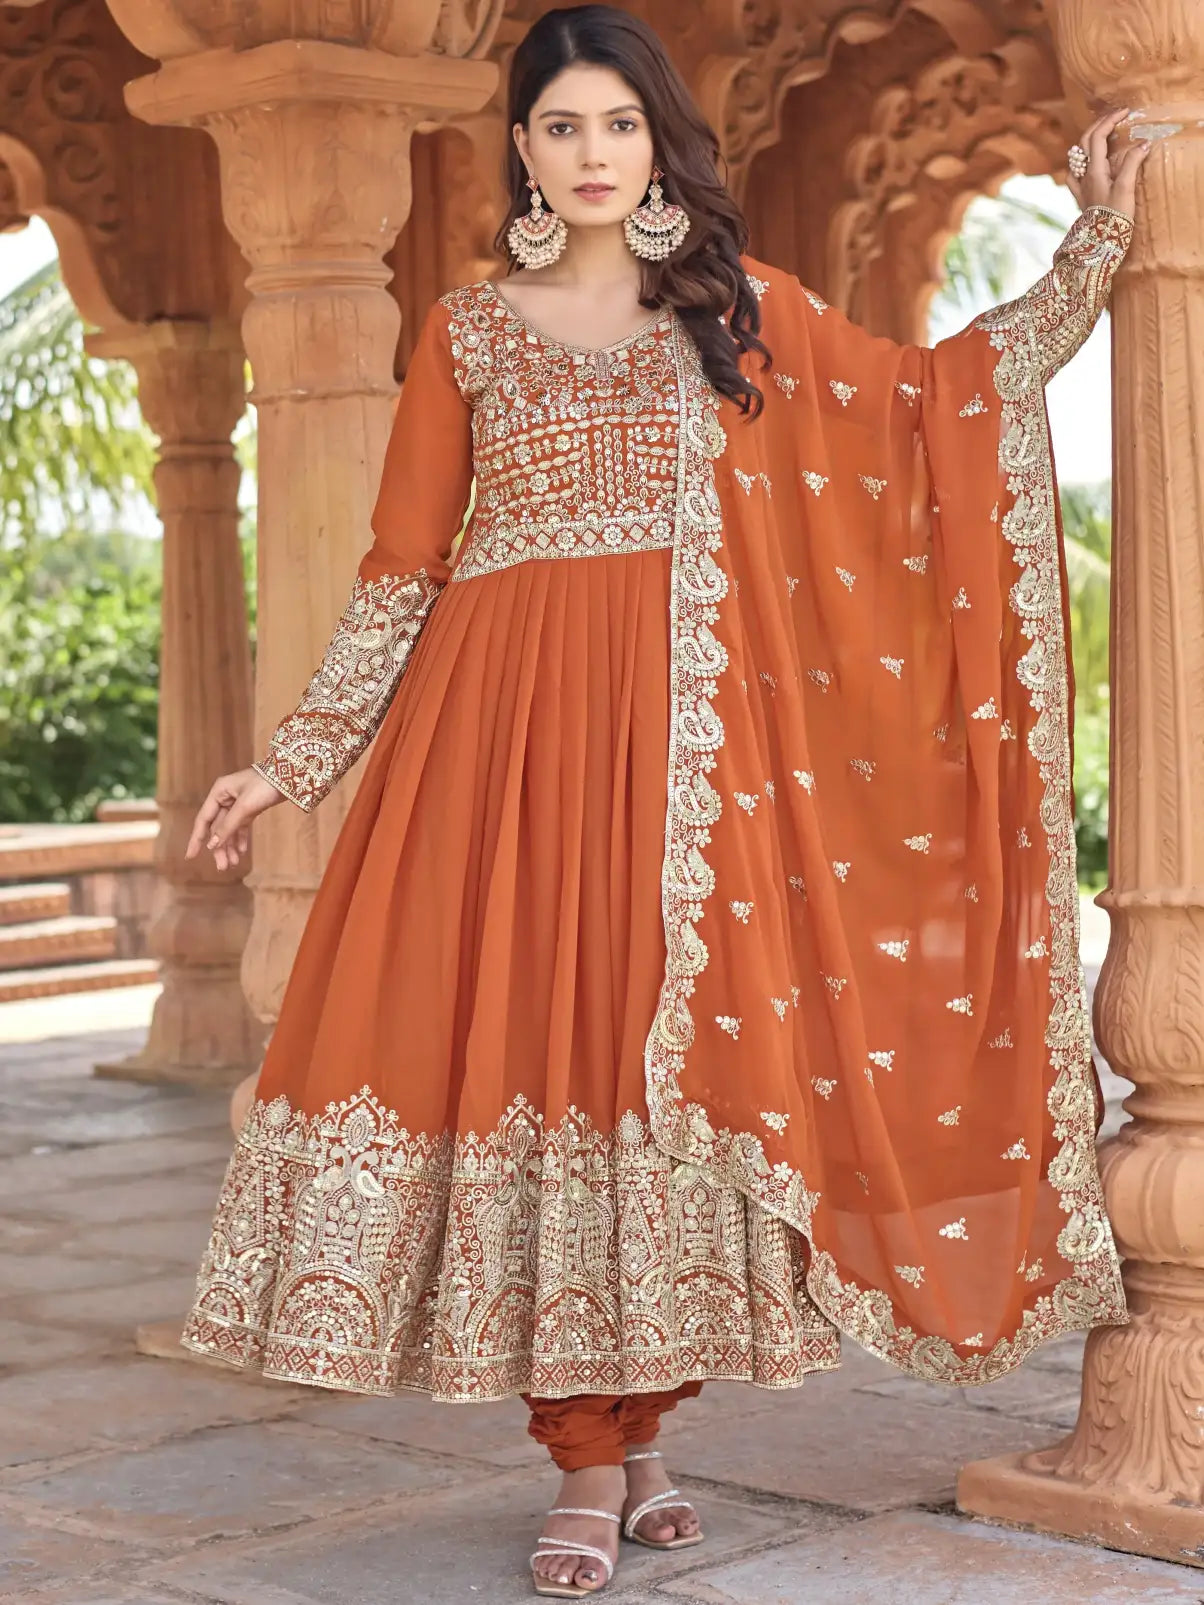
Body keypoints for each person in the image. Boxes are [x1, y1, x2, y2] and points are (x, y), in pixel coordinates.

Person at [182, 6, 1149, 1596]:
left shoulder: (735, 313)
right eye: (558, 126)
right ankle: (582, 1457)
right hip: (496, 747)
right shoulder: (470, 330)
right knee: (534, 1062)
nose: (586, 153)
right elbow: (402, 568)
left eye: (614, 126)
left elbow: (926, 414)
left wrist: (1092, 244)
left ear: (655, 145)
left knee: (664, 1075)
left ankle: (648, 1438)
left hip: (692, 758)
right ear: (522, 150)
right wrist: (293, 757)